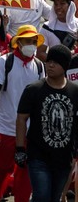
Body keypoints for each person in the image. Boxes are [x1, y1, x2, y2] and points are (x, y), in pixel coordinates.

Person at [0, 25, 45, 202]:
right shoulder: (4, 62)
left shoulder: (39, 66)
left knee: (25, 171)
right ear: (19, 43)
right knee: (1, 168)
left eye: (34, 41)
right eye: (28, 41)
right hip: (6, 127)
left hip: (29, 130)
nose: (31, 45)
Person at [15, 44, 78, 202]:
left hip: (64, 157)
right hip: (38, 156)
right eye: (49, 61)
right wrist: (20, 148)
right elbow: (21, 118)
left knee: (54, 198)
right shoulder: (34, 89)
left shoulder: (75, 91)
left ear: (65, 66)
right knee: (41, 196)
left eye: (55, 62)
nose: (50, 65)